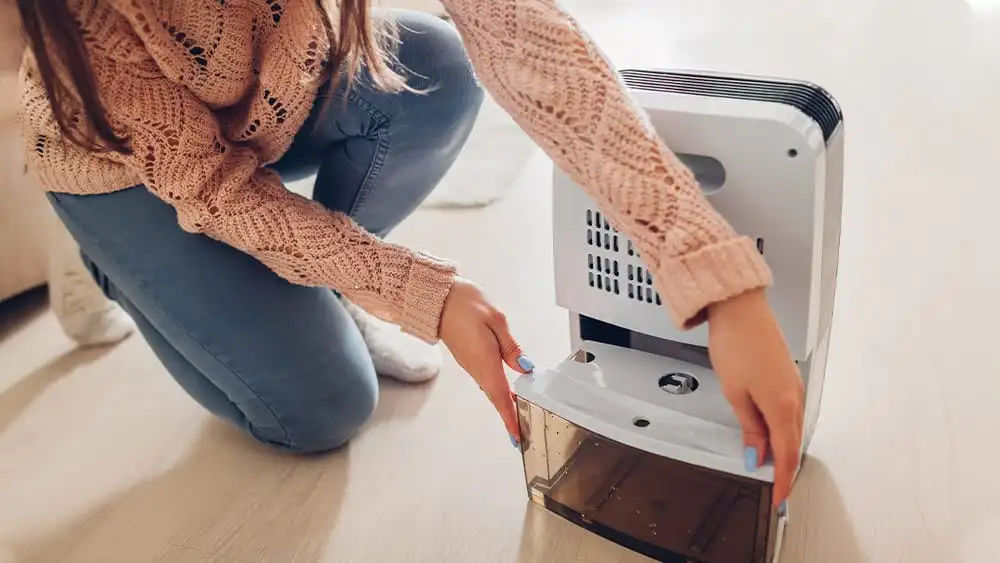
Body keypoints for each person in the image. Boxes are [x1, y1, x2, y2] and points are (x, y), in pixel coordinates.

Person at [11, 0, 804, 505]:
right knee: (323, 412)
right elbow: (219, 191)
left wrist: (710, 271)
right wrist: (421, 292)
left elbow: (521, 34)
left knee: (439, 64)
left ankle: (302, 284)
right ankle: (114, 259)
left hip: (264, 104)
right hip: (131, 165)